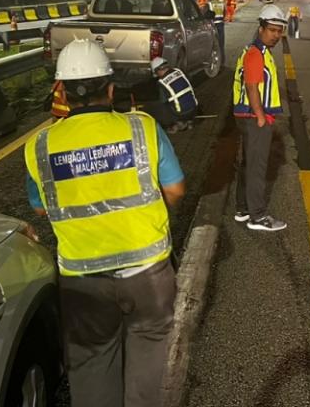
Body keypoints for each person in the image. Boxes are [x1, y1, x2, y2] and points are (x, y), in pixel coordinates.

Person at [25, 39, 185, 407]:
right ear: (111, 89)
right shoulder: (142, 128)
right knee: (148, 359)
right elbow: (175, 189)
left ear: (62, 90)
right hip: (147, 272)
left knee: (93, 364)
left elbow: (40, 209)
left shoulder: (39, 146)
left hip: (82, 281)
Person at [232, 4, 288, 231]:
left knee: (248, 165)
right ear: (261, 28)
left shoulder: (256, 51)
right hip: (254, 119)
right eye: (272, 30)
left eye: (279, 30)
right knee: (257, 169)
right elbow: (252, 86)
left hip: (247, 117)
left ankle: (243, 209)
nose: (276, 35)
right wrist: (261, 116)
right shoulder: (256, 54)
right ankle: (258, 216)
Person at [144, 56, 199, 133]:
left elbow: (163, 101)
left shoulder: (162, 82)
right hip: (194, 108)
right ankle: (189, 121)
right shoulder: (179, 71)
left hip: (180, 114)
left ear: (158, 70)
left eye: (156, 73)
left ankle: (177, 125)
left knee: (157, 108)